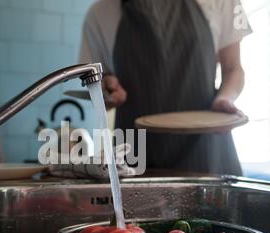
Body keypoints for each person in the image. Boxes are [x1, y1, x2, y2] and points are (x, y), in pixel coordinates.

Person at [80, 0, 252, 175]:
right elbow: (97, 86)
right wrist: (108, 91)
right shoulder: (99, 14)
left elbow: (233, 70)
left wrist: (225, 99)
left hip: (208, 154)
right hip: (134, 159)